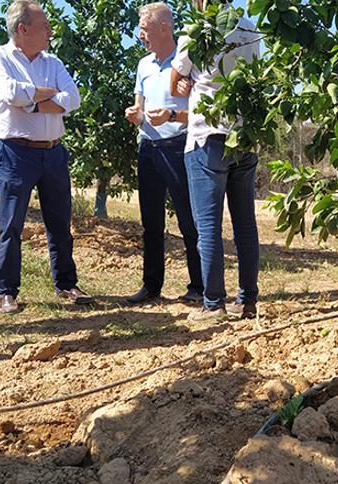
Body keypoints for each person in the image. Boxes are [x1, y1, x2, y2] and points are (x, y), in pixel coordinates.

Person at [0, 0, 89, 314]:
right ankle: (7, 291)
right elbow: (9, 93)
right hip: (15, 153)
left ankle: (67, 284)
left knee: (60, 222)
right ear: (23, 29)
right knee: (11, 224)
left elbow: (73, 99)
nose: (50, 31)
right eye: (44, 26)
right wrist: (45, 94)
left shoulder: (53, 62)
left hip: (53, 151)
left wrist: (30, 100)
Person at [170, 0, 261, 321]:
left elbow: (174, 83)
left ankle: (213, 304)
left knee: (208, 225)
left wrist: (191, 82)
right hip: (245, 136)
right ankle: (247, 300)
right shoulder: (250, 28)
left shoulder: (197, 32)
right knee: (245, 224)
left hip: (207, 135)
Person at [123, 3, 203, 306]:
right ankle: (151, 286)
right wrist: (136, 115)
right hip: (148, 148)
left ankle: (198, 285)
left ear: (164, 28)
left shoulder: (185, 61)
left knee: (188, 220)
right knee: (151, 223)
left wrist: (170, 116)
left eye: (145, 28)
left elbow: (198, 108)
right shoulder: (143, 65)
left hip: (178, 146)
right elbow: (140, 107)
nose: (141, 35)